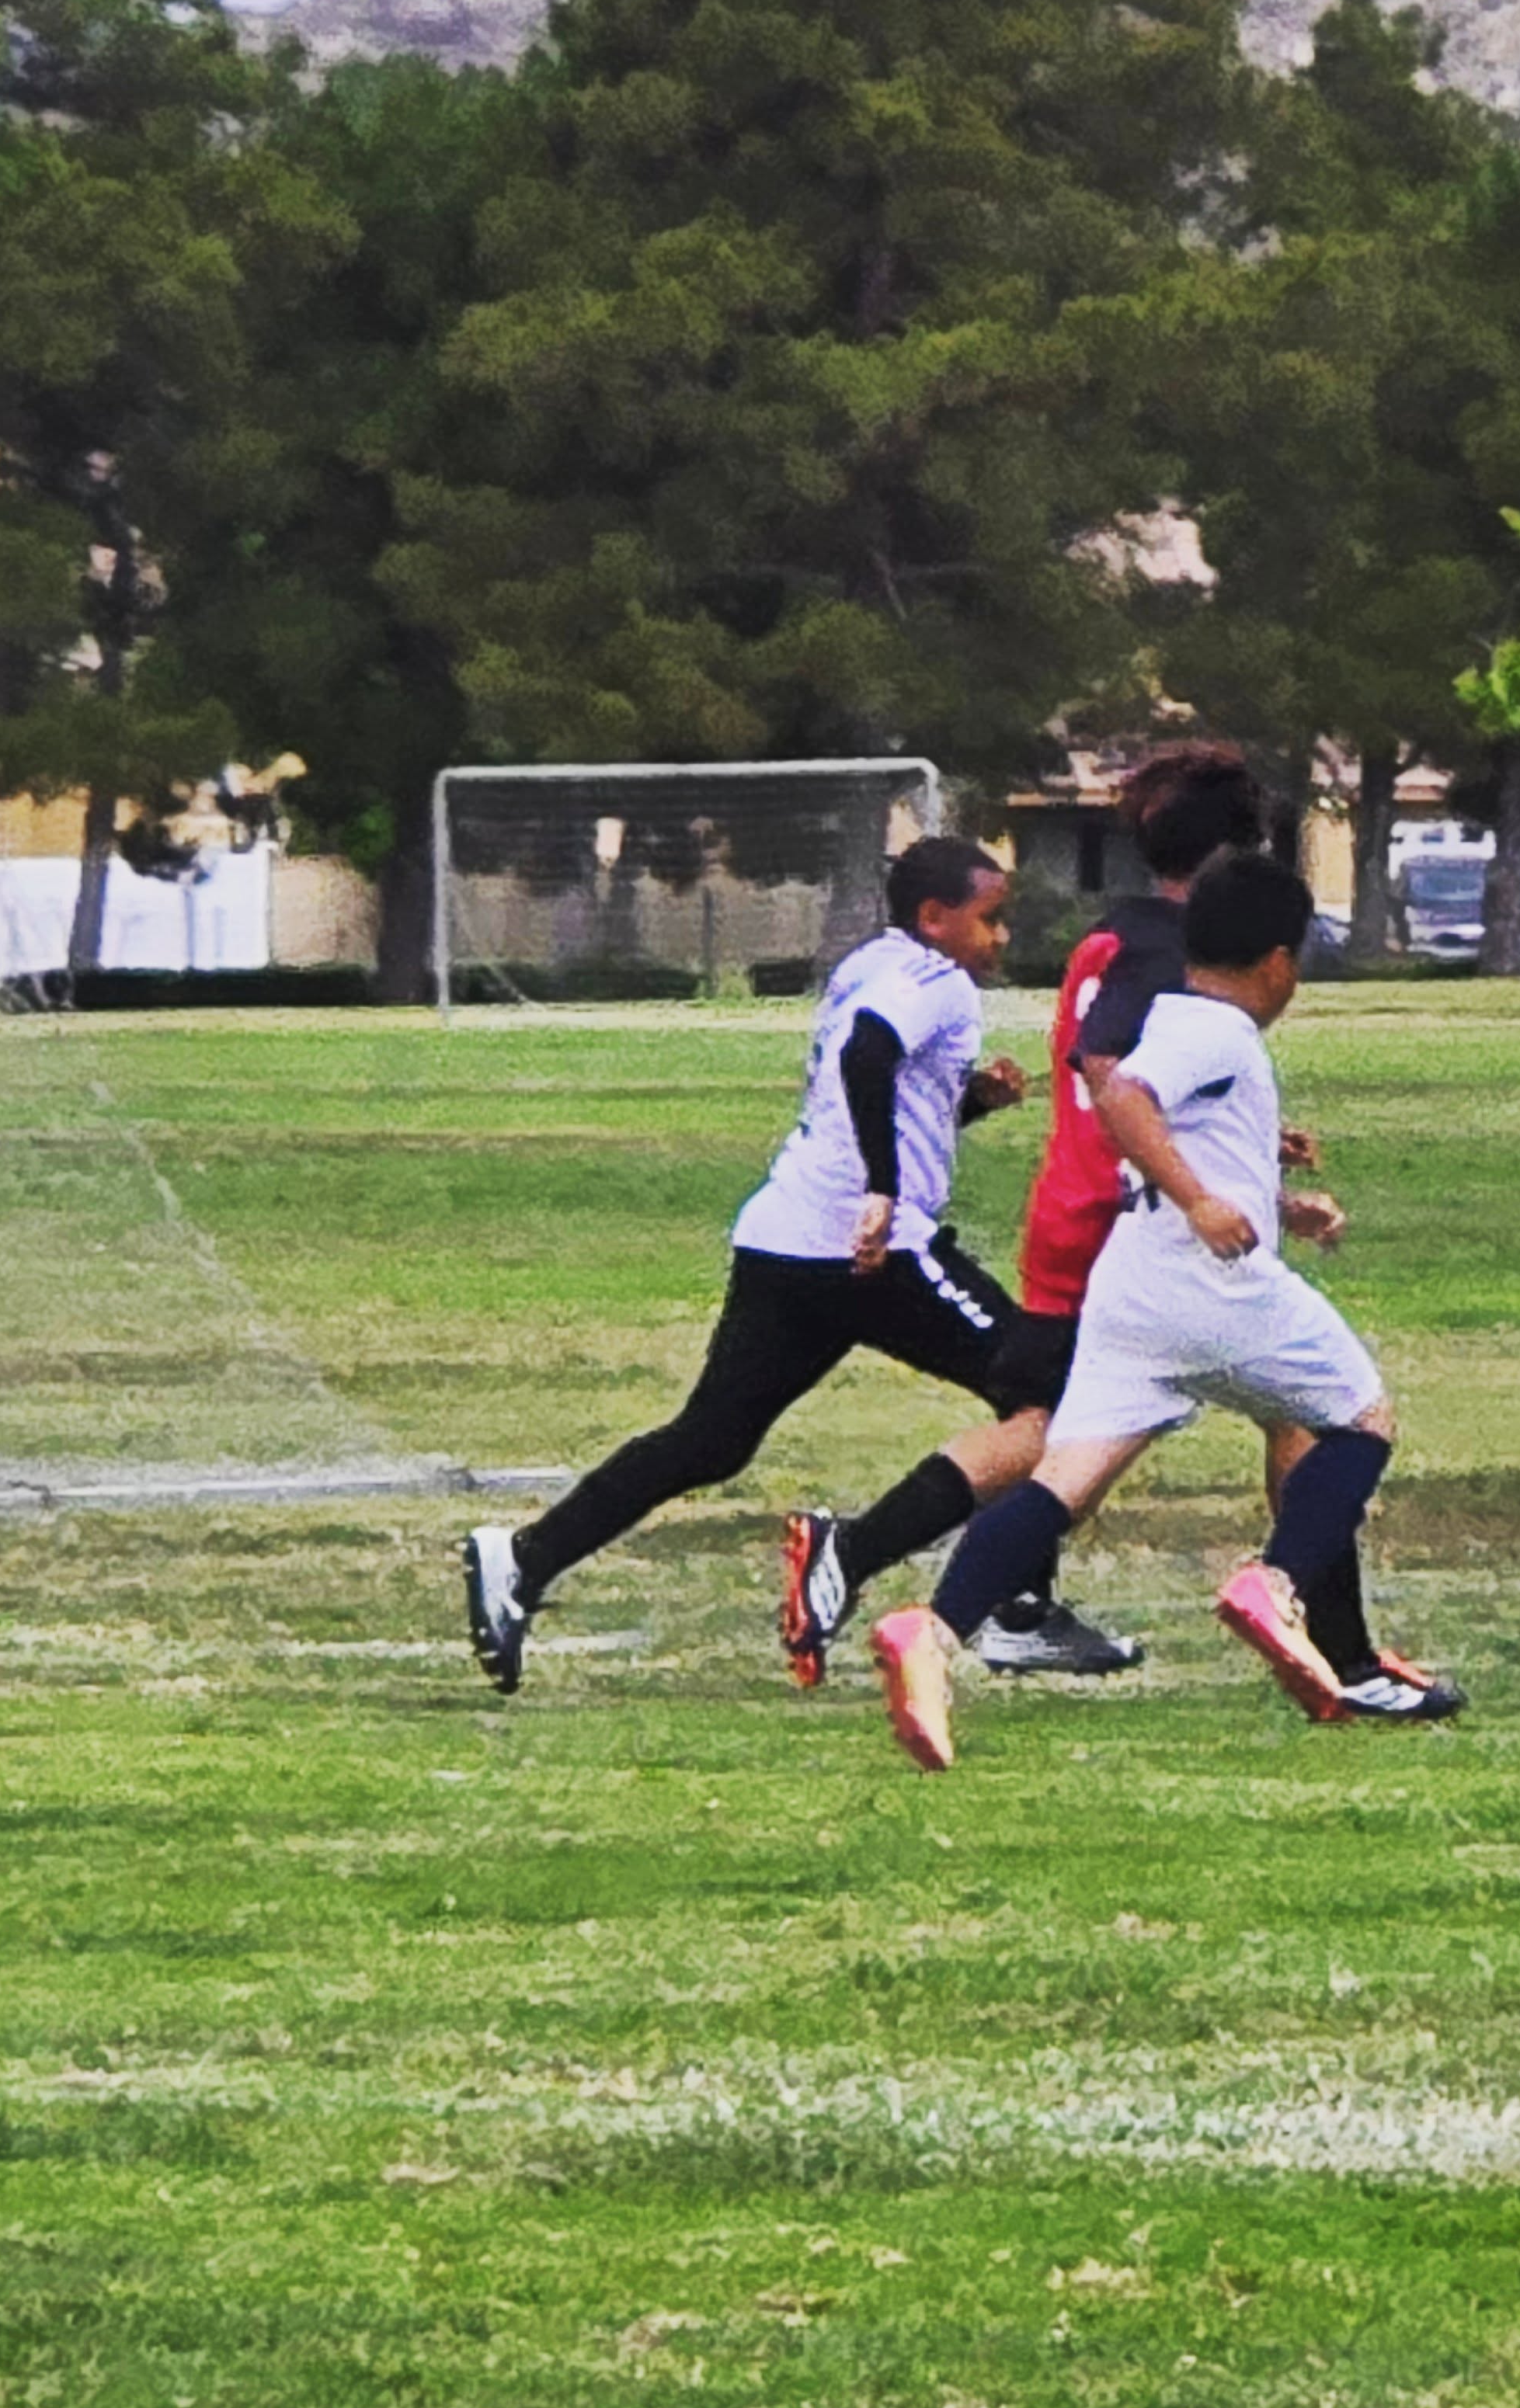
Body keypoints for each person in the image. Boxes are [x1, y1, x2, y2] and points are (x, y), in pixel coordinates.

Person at [871, 850, 1466, 1771]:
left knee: (1064, 1481)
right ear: (1280, 963)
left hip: (1134, 1288)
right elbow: (1125, 1098)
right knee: (1360, 1419)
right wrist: (1202, 1203)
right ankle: (1275, 1586)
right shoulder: (1218, 1031)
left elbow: (1169, 1133)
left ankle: (933, 1629)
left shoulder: (1176, 1017)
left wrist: (1271, 1203)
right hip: (1208, 1284)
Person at [463, 836, 1067, 1695]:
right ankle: (953, 1590)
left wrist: (965, 1102)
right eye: (990, 918)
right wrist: (883, 1191)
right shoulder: (937, 980)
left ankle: (524, 1559)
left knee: (711, 1438)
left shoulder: (869, 964)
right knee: (1053, 1399)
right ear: (935, 918)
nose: (1001, 936)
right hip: (870, 1250)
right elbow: (866, 1056)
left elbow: (873, 1095)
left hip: (786, 1238)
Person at [781, 747, 1257, 1686]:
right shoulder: (1171, 952)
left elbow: (1137, 1078)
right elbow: (1111, 1075)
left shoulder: (1108, 939)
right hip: (1118, 1216)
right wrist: (1200, 1186)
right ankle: (873, 1558)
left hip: (1074, 1205)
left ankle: (1008, 1604)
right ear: (1228, 857)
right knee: (1098, 1427)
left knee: (1066, 1421)